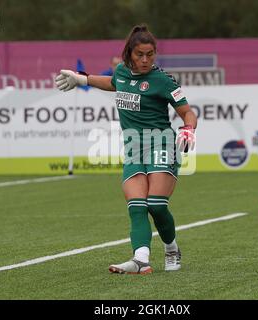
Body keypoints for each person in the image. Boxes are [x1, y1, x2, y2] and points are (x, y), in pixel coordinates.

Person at [55, 24, 197, 275]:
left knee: (156, 204)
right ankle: (140, 259)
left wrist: (188, 128)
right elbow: (113, 82)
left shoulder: (163, 80)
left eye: (150, 54)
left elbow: (187, 111)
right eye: (140, 54)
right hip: (133, 148)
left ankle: (171, 248)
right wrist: (81, 79)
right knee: (137, 206)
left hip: (161, 143)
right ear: (130, 53)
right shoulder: (122, 72)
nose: (145, 60)